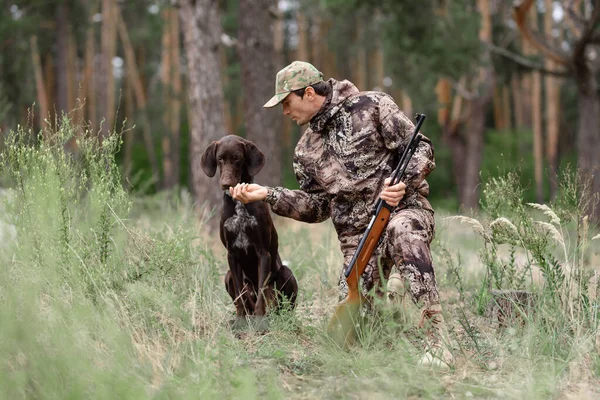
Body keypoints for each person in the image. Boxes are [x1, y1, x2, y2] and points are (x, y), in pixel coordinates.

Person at [230, 61, 453, 367]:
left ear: (309, 93)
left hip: (405, 213)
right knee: (352, 342)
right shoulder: (305, 150)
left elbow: (421, 148)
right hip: (358, 245)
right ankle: (394, 301)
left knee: (402, 231)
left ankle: (436, 342)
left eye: (286, 102)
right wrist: (269, 194)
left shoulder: (373, 106)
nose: (284, 112)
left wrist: (403, 183)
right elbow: (317, 207)